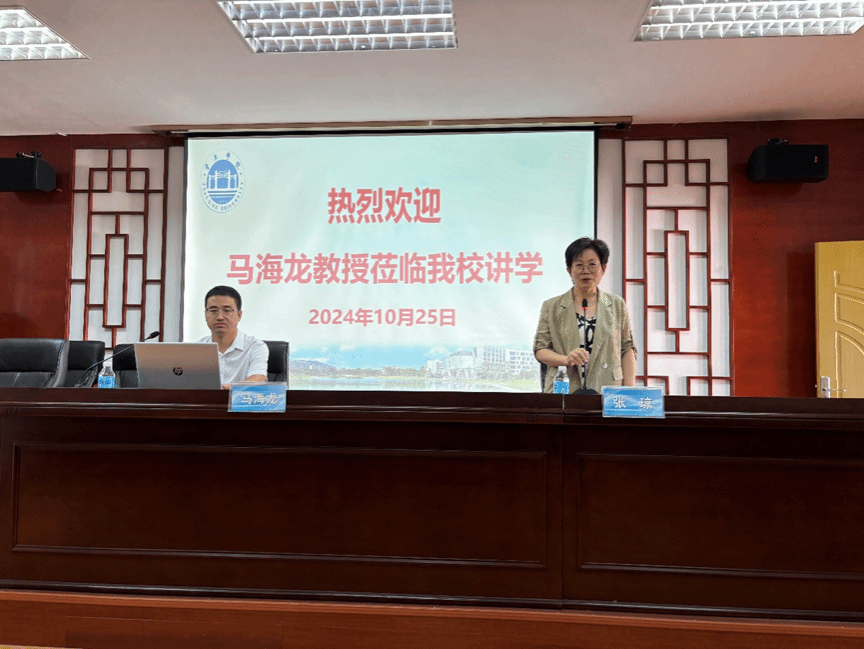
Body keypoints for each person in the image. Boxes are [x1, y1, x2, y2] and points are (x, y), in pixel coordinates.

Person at [533, 237, 636, 393]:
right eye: (579, 265)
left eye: (592, 264)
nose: (586, 271)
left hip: (607, 389)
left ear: (603, 268)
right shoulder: (551, 306)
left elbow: (627, 348)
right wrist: (566, 359)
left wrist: (629, 392)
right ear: (569, 270)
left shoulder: (617, 305)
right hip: (564, 388)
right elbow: (540, 350)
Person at [198, 285, 269, 389]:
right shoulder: (196, 349)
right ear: (205, 314)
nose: (220, 317)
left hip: (240, 399)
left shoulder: (255, 346)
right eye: (213, 311)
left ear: (239, 315)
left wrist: (232, 388)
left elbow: (258, 379)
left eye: (227, 311)